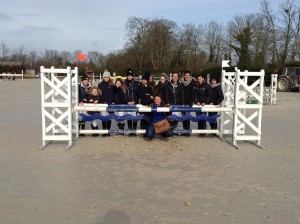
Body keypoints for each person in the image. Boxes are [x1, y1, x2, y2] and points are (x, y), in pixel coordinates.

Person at [98, 70, 114, 136]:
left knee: (109, 117)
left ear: (109, 78)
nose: (106, 78)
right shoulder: (100, 85)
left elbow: (113, 94)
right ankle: (104, 131)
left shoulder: (112, 85)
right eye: (105, 77)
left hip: (110, 103)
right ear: (103, 78)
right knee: (103, 118)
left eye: (107, 77)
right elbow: (99, 94)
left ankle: (108, 131)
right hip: (103, 103)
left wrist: (112, 101)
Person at [180, 70, 196, 135]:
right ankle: (184, 130)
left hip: (188, 103)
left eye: (188, 75)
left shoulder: (193, 82)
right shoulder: (181, 82)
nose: (187, 76)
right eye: (186, 75)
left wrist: (191, 102)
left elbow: (193, 93)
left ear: (190, 76)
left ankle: (187, 131)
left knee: (187, 117)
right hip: (182, 102)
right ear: (184, 75)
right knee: (183, 117)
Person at [124, 68, 139, 135]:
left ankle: (134, 130)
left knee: (134, 117)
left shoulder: (136, 83)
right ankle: (130, 130)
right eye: (128, 75)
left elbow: (138, 94)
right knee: (129, 116)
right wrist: (127, 101)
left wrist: (135, 101)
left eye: (131, 75)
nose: (130, 77)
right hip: (128, 103)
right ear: (127, 76)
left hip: (134, 103)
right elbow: (123, 94)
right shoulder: (124, 84)